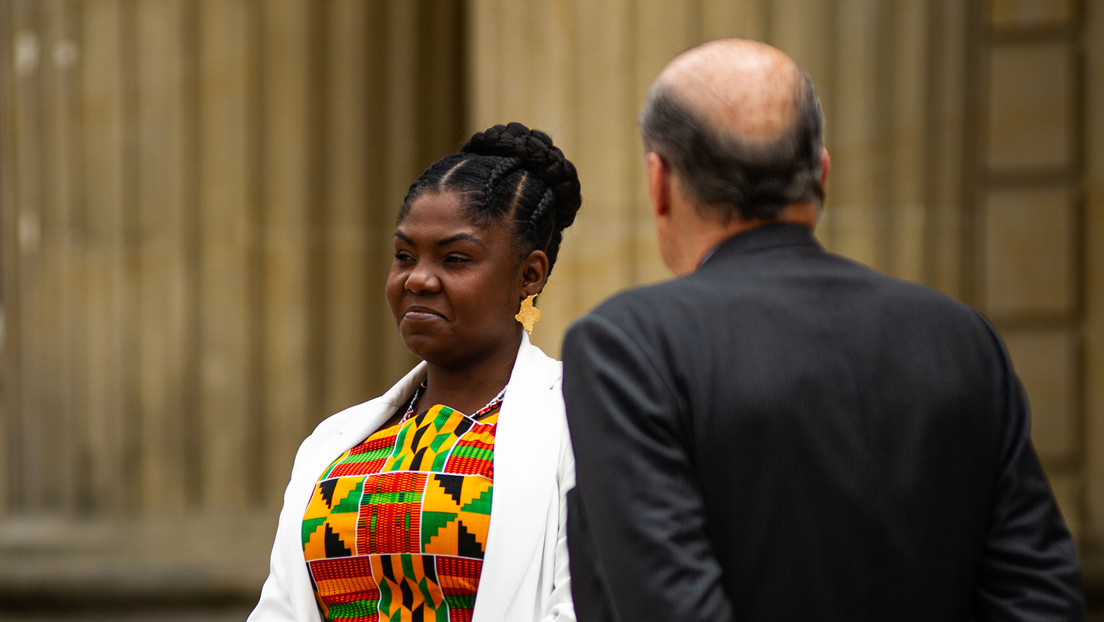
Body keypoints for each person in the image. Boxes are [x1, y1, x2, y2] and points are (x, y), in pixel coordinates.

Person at [562, 38, 1083, 621]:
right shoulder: (961, 338)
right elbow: (1040, 598)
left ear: (659, 182)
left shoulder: (626, 346)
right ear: (821, 174)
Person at [249, 122, 581, 622]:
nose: (418, 279)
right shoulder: (333, 445)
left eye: (455, 259)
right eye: (404, 255)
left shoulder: (577, 425)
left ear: (529, 275)